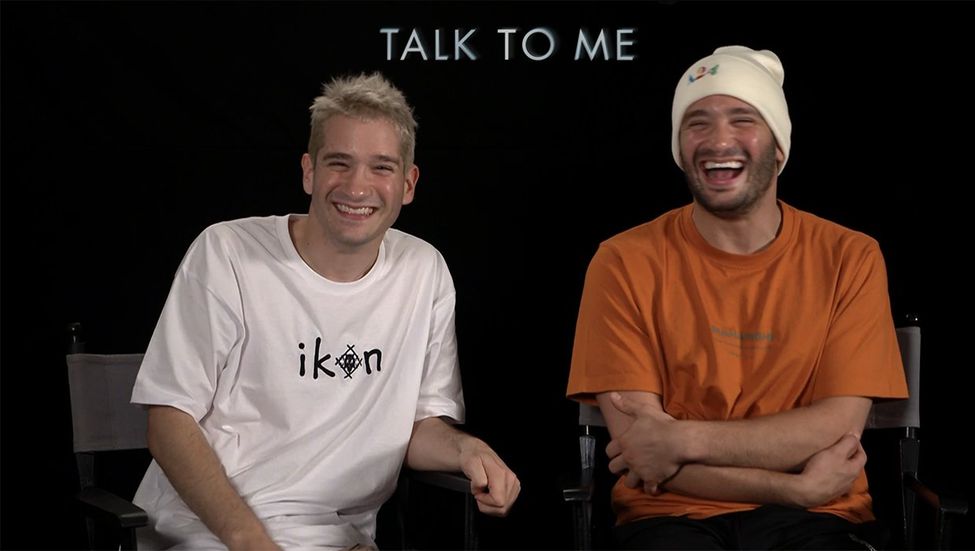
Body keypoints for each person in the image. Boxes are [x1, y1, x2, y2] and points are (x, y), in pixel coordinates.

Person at [131, 72, 520, 551]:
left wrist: (467, 449)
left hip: (335, 539)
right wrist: (251, 542)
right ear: (309, 172)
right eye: (339, 163)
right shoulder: (227, 253)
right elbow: (168, 421)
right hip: (209, 532)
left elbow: (418, 427)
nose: (357, 187)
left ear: (408, 183)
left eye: (381, 167)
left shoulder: (425, 270)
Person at [566, 45, 908, 550]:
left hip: (823, 521)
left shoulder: (849, 257)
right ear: (679, 147)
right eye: (697, 123)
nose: (718, 140)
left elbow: (835, 429)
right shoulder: (622, 261)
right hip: (669, 516)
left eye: (743, 119)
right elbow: (641, 452)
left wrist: (681, 438)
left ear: (779, 145)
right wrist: (792, 488)